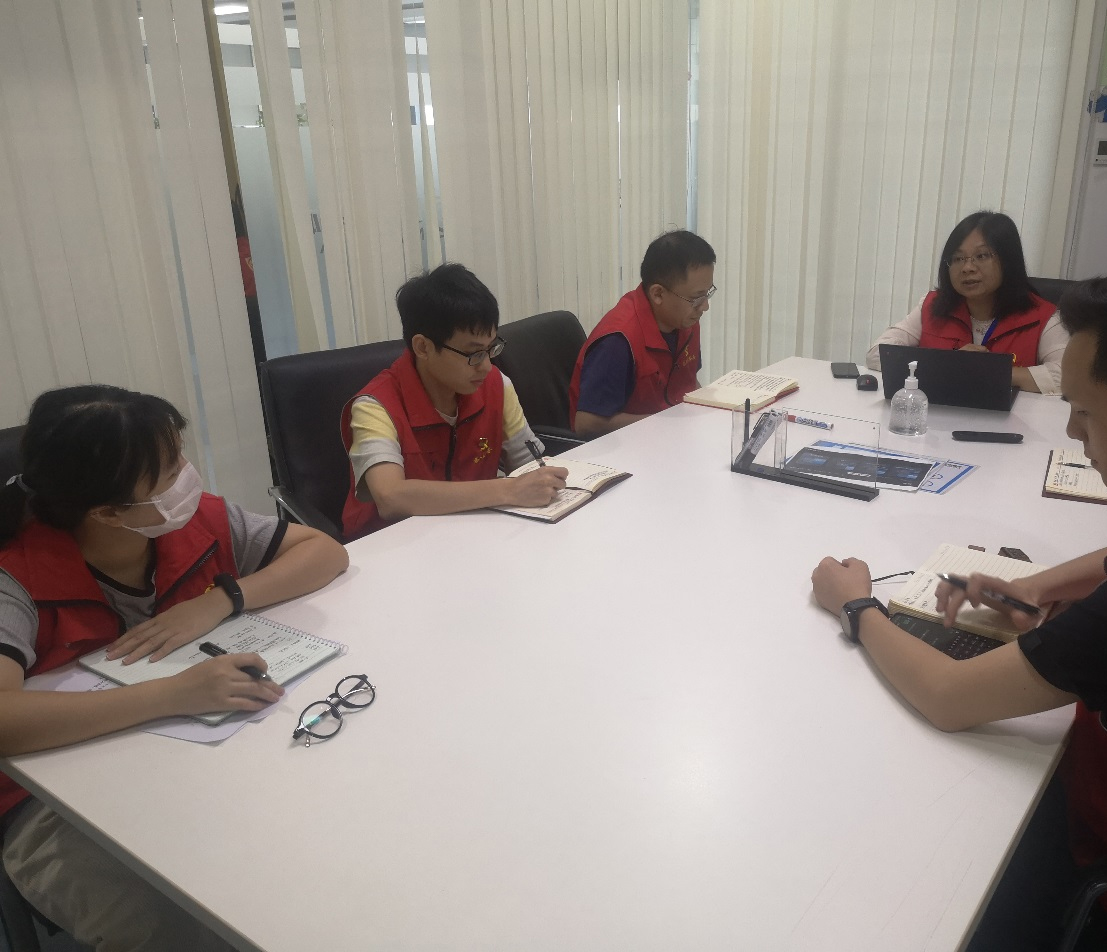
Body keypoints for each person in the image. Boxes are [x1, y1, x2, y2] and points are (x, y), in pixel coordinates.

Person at [814, 266, 1107, 952]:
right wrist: (1034, 587)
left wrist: (855, 605)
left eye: (1082, 410)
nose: (1074, 431)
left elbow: (949, 696)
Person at [0, 384, 349, 951]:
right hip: (48, 805)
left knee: (306, 869)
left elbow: (325, 552)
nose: (187, 477)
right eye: (168, 472)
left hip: (197, 762)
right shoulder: (16, 575)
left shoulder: (194, 522)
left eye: (179, 456)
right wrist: (169, 694)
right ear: (106, 511)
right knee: (184, 925)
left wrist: (221, 600)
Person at [341, 263, 568, 539]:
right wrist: (509, 489)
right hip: (392, 545)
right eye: (474, 354)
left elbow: (529, 464)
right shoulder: (376, 406)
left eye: (491, 348)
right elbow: (390, 497)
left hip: (472, 535)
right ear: (423, 347)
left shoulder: (496, 385)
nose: (486, 366)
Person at [866, 211, 1069, 394]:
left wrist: (988, 371)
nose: (967, 268)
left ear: (1008, 260)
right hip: (938, 416)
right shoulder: (933, 305)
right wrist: (951, 365)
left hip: (1010, 421)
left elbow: (1067, 376)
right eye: (957, 259)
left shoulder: (1044, 317)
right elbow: (879, 353)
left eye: (982, 256)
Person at [569, 230, 715, 436]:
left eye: (708, 293)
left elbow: (687, 383)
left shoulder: (685, 322)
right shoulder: (618, 341)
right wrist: (665, 423)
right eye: (696, 298)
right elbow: (586, 424)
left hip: (672, 437)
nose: (705, 306)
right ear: (658, 294)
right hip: (628, 446)